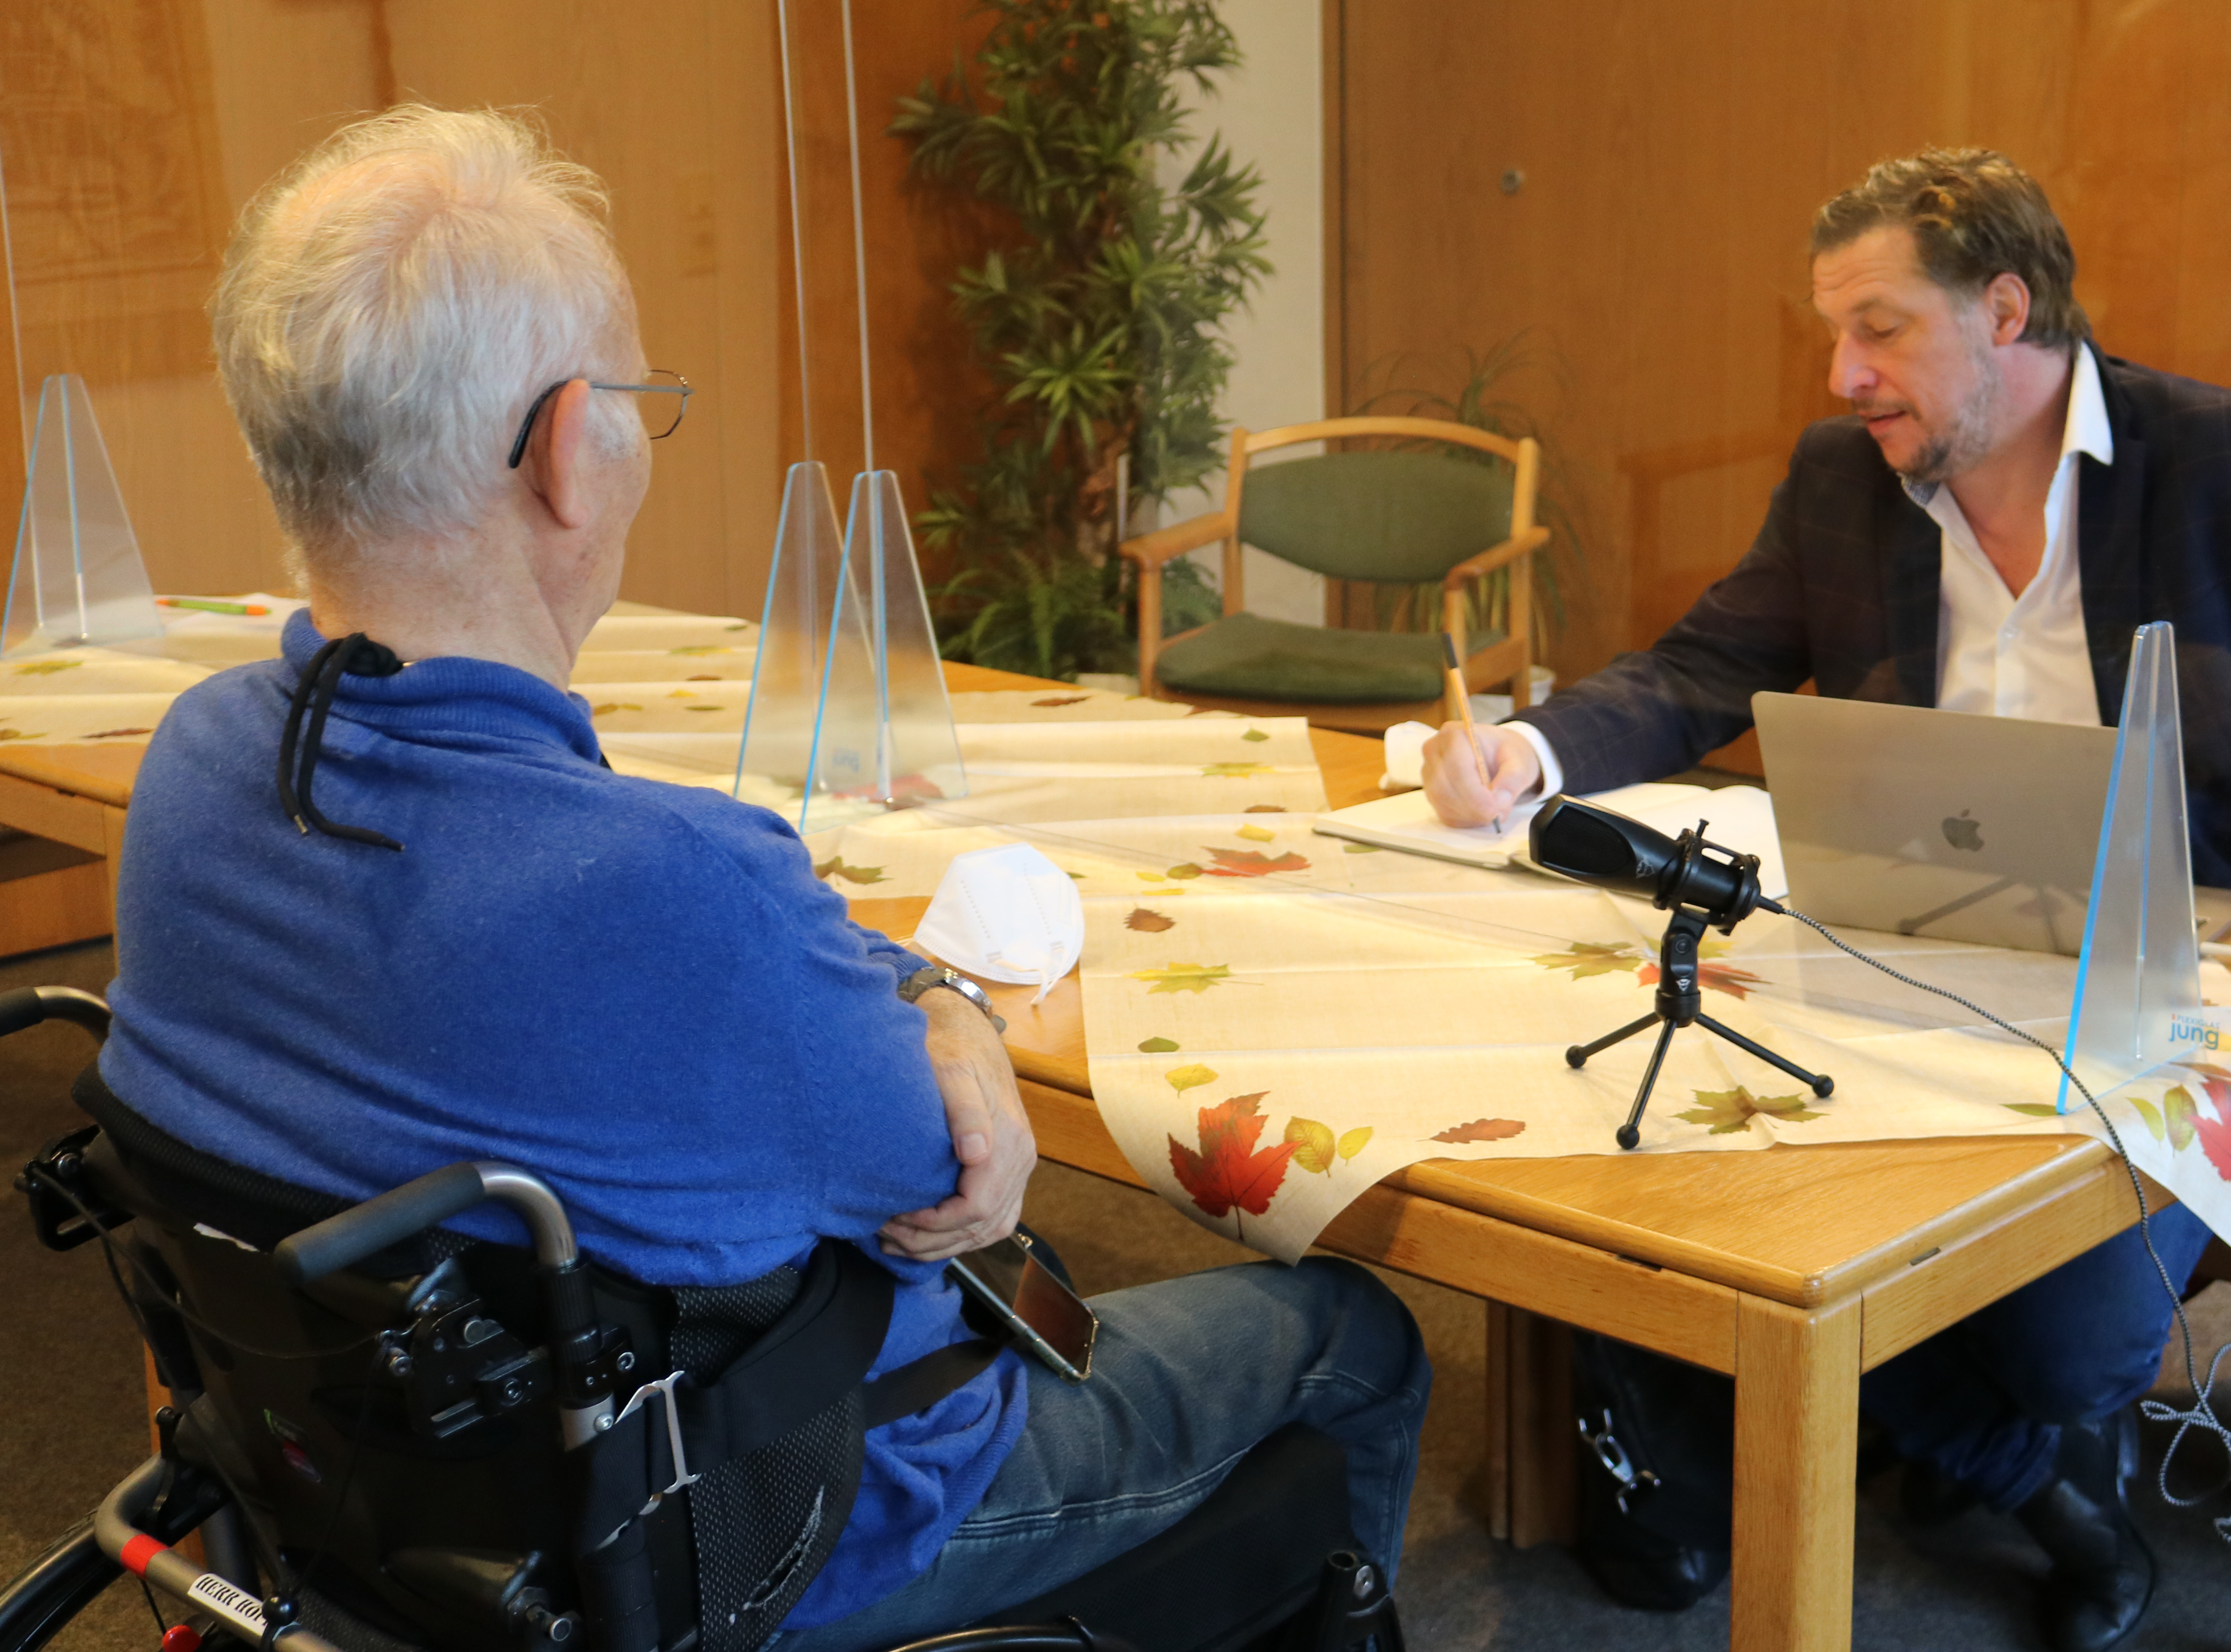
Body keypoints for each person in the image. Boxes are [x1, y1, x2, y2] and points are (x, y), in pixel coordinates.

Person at [98, 106, 1429, 1652]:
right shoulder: (668, 886)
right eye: (635, 408)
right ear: (562, 456)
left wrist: (919, 991)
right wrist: (949, 1012)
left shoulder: (199, 766)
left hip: (372, 1506)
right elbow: (941, 1177)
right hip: (775, 1523)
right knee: (1354, 1333)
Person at [1425, 150, 2231, 1650]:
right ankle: (2038, 1484)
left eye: (1878, 329)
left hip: (2177, 996)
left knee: (2065, 1343)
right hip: (1923, 961)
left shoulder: (2230, 462)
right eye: (1834, 333)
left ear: (2005, 309)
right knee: (1637, 1177)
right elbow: (1696, 668)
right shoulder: (1842, 480)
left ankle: (2015, 1430)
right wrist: (1526, 747)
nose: (1841, 373)